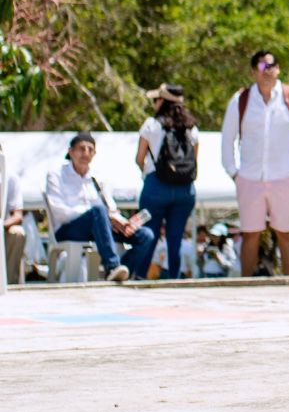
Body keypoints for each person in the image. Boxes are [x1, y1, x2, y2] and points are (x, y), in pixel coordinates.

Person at [221, 50, 289, 277]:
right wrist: (234, 172)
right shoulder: (241, 100)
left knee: (285, 232)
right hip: (250, 177)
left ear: (278, 69)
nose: (267, 71)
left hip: (285, 176)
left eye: (271, 66)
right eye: (262, 66)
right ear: (253, 71)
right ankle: (246, 284)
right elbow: (227, 138)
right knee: (250, 234)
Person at [44, 132, 157, 283]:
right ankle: (112, 266)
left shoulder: (97, 178)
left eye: (90, 149)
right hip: (68, 230)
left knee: (146, 235)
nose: (86, 153)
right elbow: (60, 213)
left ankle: (120, 273)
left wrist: (122, 222)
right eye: (81, 149)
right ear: (71, 152)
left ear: (94, 154)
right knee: (98, 211)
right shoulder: (56, 175)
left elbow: (111, 209)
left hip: (100, 229)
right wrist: (100, 216)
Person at [134, 83, 199, 281]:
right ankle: (174, 279)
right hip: (185, 189)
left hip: (156, 186)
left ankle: (140, 277)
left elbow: (139, 158)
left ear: (163, 101)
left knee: (149, 234)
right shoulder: (191, 128)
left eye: (157, 99)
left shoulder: (151, 124)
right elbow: (194, 161)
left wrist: (148, 173)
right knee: (175, 239)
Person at [3, 144, 25, 285]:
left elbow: (17, 215)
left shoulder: (10, 177)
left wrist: (1, 225)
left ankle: (9, 284)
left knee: (17, 233)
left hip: (2, 228)